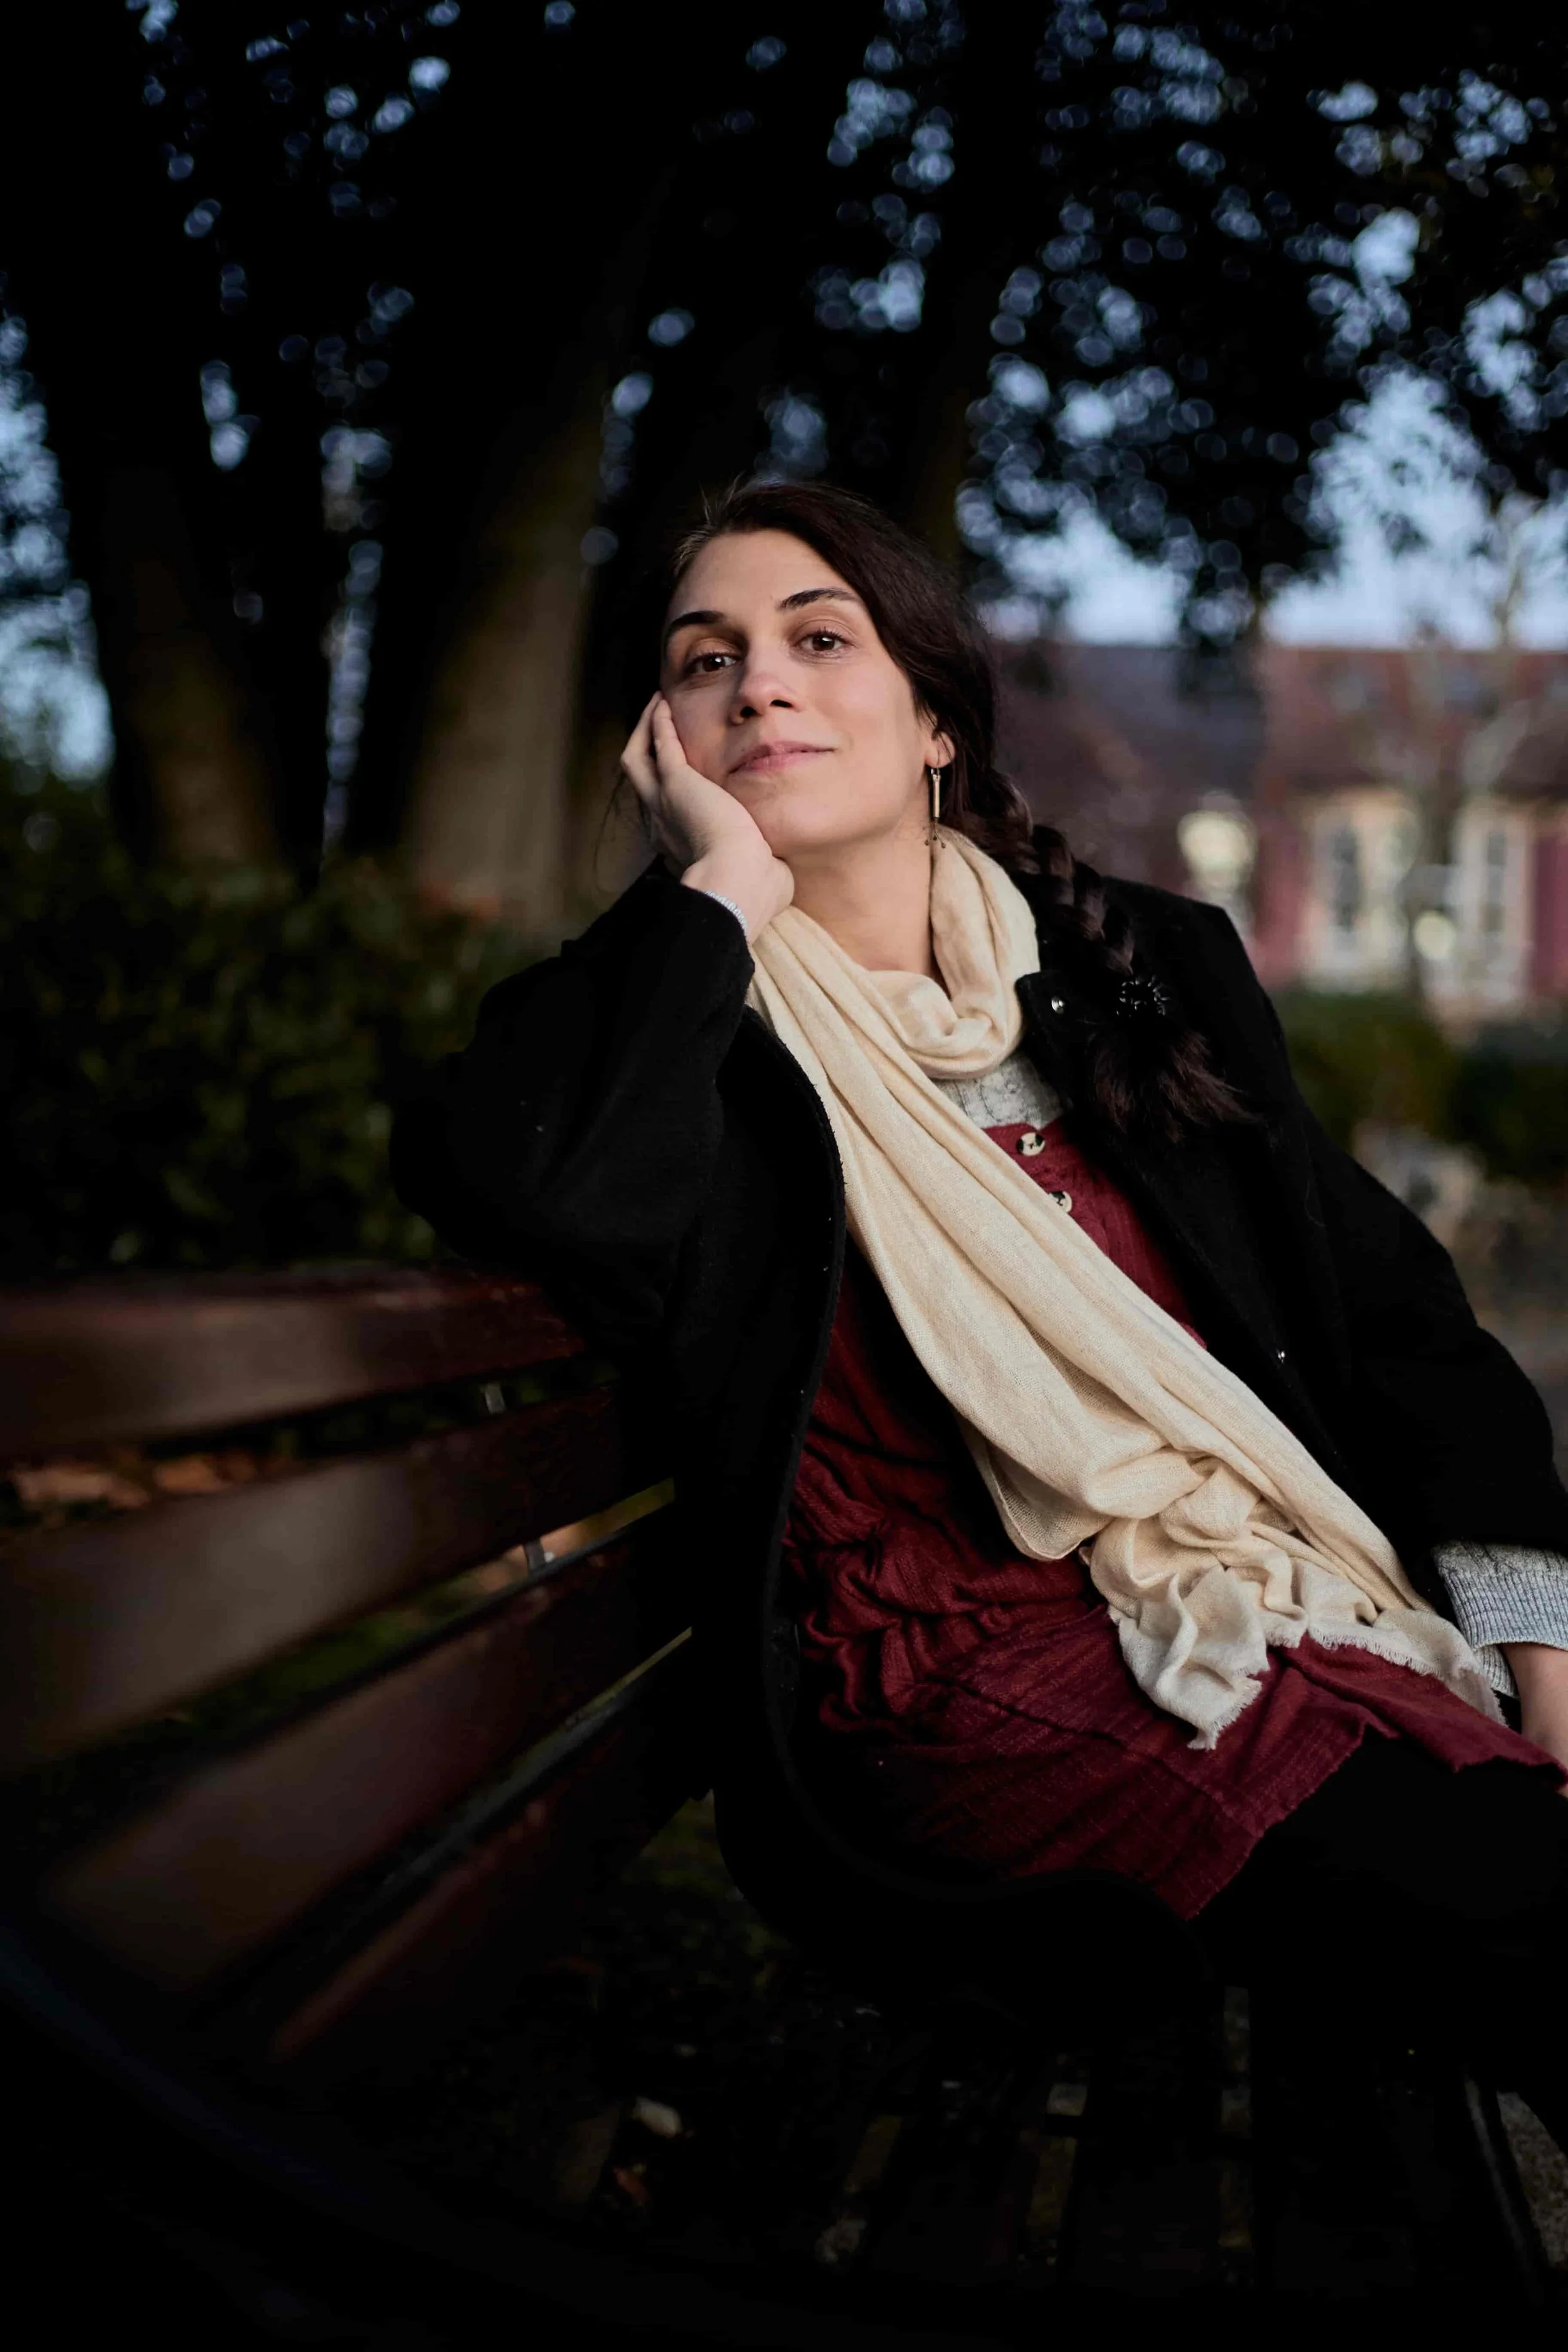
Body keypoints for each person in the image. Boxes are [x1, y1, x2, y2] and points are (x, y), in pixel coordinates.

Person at [393, 481, 1568, 2139]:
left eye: (819, 640)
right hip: (963, 1690)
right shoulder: (649, 1017)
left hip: (1264, 1605)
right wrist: (718, 895)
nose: (760, 683)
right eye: (706, 659)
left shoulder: (1144, 975)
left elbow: (1397, 1318)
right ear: (665, 743)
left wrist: (1538, 1628)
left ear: (935, 720)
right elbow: (557, 1207)